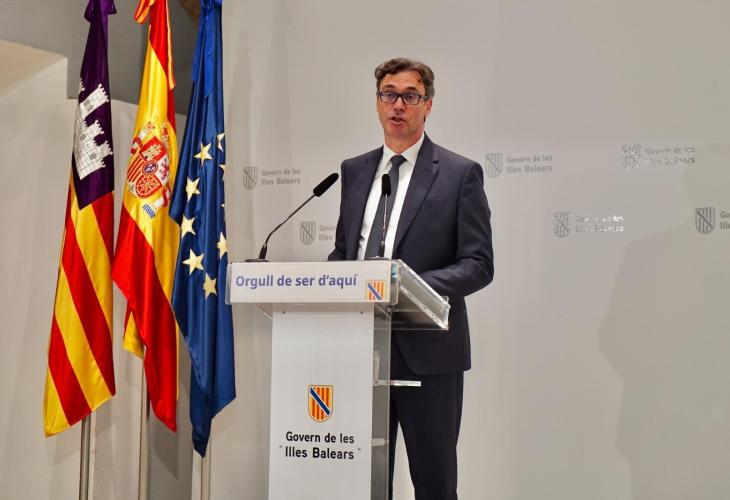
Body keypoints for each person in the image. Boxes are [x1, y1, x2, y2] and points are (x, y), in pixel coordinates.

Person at [328, 57, 494, 500]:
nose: (397, 105)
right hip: (361, 350)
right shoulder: (354, 171)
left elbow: (479, 263)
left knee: (434, 484)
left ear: (428, 105)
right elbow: (344, 252)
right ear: (377, 103)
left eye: (409, 96)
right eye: (389, 95)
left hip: (429, 356)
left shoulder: (459, 174)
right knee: (362, 483)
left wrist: (407, 286)